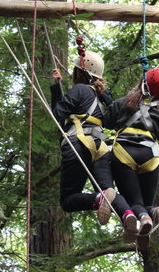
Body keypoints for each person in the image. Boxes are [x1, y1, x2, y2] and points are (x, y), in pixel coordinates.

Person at [103, 67, 159, 250]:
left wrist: (107, 100)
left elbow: (106, 120)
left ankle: (144, 218)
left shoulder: (125, 103)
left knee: (133, 203)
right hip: (151, 155)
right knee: (144, 204)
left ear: (143, 84)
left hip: (124, 153)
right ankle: (152, 214)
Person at [51, 50, 134, 233]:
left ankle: (97, 200)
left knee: (68, 200)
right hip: (100, 147)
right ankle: (129, 215)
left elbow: (57, 115)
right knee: (108, 191)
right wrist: (58, 87)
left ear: (78, 72)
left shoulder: (80, 90)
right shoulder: (101, 96)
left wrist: (56, 90)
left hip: (78, 143)